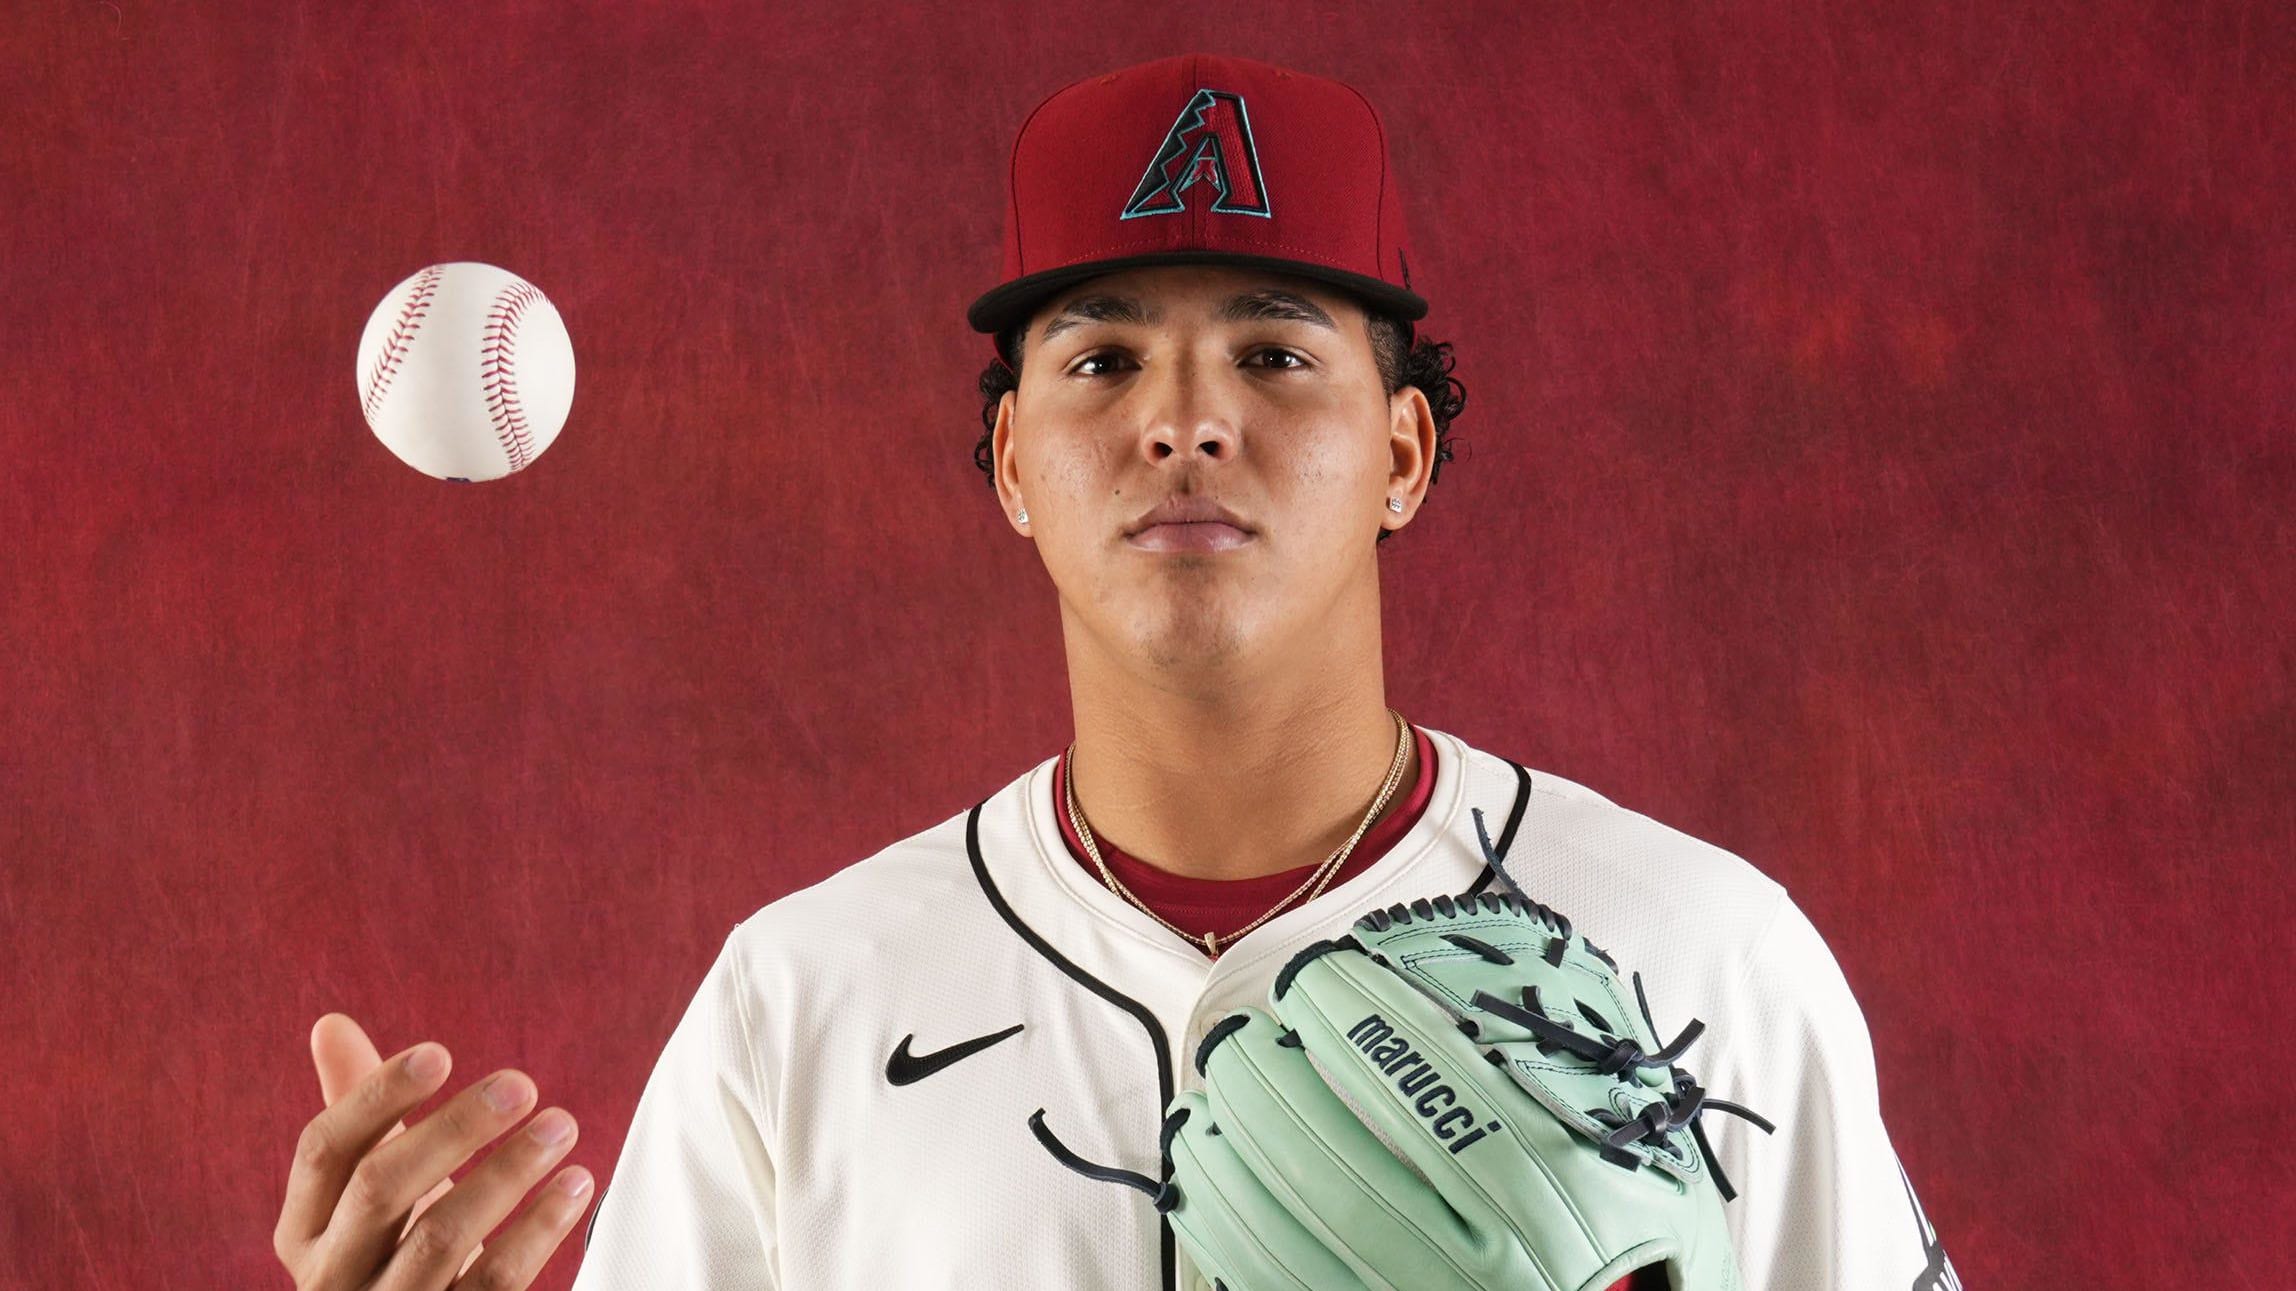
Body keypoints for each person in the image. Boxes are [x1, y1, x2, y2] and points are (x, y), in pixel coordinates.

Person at [274, 52, 1955, 1291]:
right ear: (1012, 463)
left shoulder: (1704, 961)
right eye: (1103, 357)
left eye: (1276, 351)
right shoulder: (801, 1003)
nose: (1185, 418)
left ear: (1404, 453)